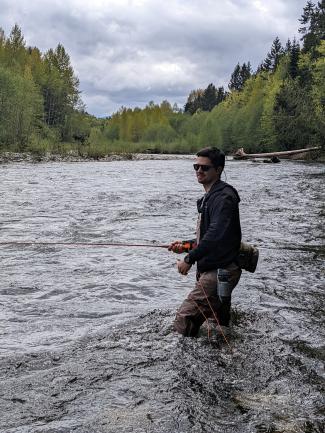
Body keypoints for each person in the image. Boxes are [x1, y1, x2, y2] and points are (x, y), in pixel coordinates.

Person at [169, 147, 242, 337]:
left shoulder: (224, 198)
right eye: (196, 167)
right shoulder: (211, 197)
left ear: (218, 170)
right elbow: (211, 237)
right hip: (215, 271)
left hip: (219, 272)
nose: (199, 171)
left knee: (184, 320)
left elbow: (216, 234)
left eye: (205, 168)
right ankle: (220, 359)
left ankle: (182, 362)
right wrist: (186, 245)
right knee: (217, 326)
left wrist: (189, 258)